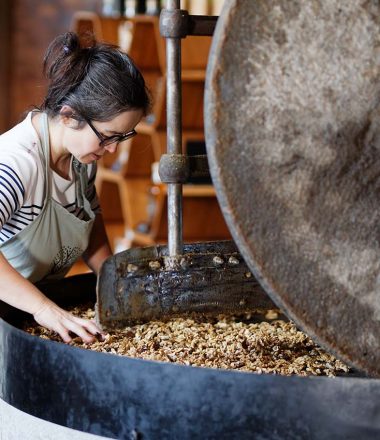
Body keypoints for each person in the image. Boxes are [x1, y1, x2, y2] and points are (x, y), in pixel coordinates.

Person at [0, 32, 150, 343]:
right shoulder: (16, 165)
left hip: (27, 313)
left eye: (122, 137)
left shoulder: (81, 160)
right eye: (108, 136)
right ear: (69, 116)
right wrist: (44, 309)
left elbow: (90, 223)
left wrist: (112, 284)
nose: (112, 150)